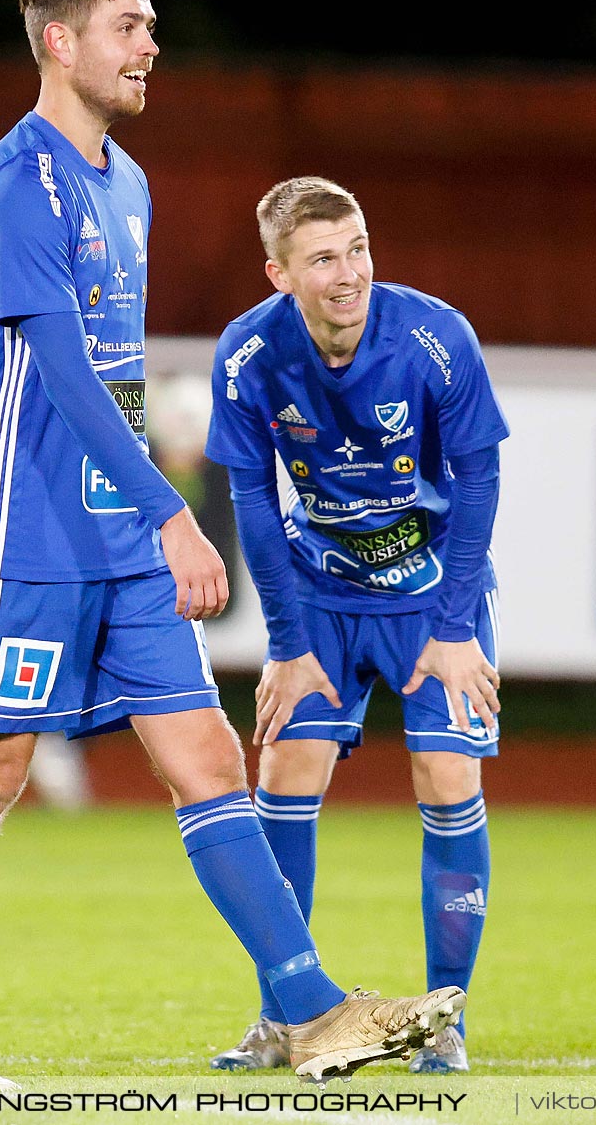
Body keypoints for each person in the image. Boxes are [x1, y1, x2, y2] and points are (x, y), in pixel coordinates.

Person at [0, 0, 462, 1091]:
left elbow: (117, 375)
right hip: (30, 538)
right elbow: (58, 370)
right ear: (62, 42)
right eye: (128, 25)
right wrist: (172, 510)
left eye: (151, 24)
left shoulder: (129, 183)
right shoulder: (18, 185)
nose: (151, 43)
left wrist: (146, 513)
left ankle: (311, 1010)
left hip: (120, 536)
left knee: (206, 754)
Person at [203, 178, 507, 1074]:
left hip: (431, 602)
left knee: (447, 779)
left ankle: (446, 1019)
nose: (350, 274)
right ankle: (285, 1017)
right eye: (325, 258)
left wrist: (456, 629)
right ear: (279, 273)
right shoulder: (247, 353)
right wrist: (289, 646)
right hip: (322, 599)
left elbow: (481, 482)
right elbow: (254, 497)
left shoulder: (434, 338)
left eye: (360, 248)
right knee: (283, 777)